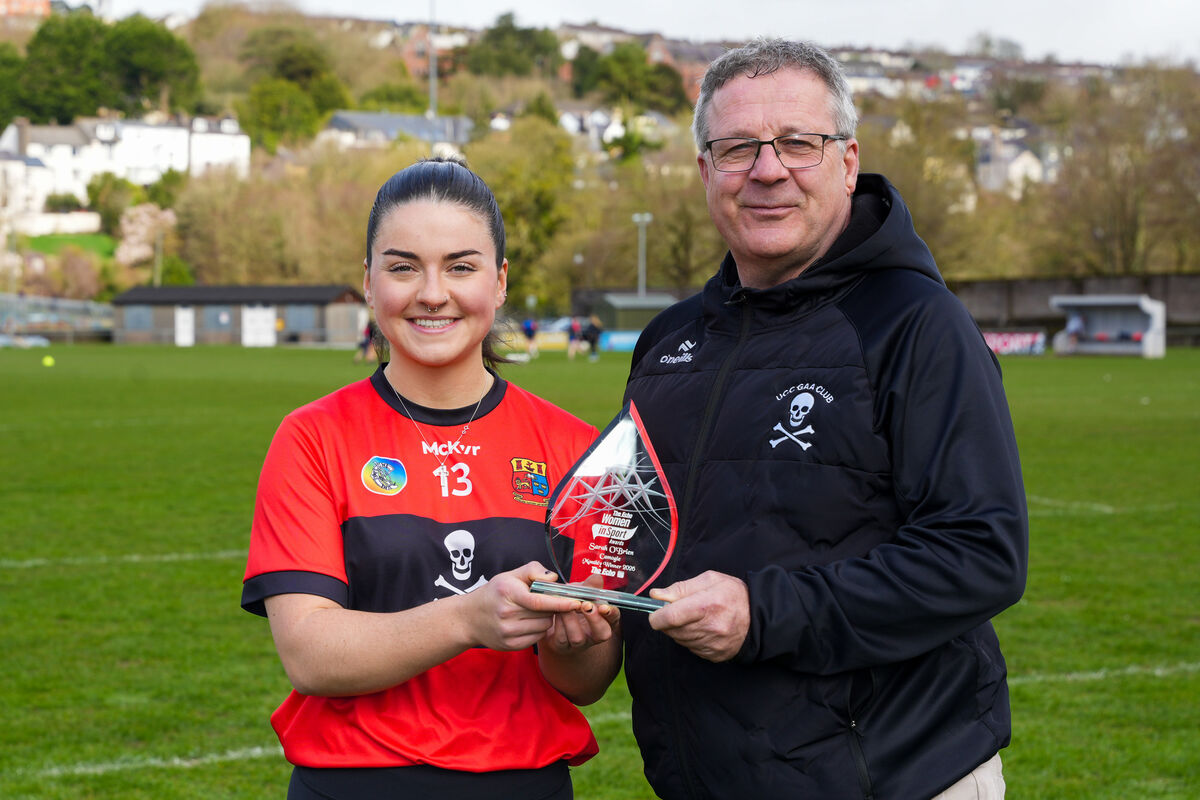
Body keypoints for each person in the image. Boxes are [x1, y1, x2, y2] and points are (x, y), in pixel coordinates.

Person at [622, 39, 1027, 799]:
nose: (768, 170)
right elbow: (633, 533)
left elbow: (981, 555)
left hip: (891, 777)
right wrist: (580, 600)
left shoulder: (916, 324)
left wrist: (762, 613)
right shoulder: (669, 342)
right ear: (707, 173)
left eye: (797, 144)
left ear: (847, 161)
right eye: (738, 147)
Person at [243, 157, 622, 800]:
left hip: (524, 786)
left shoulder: (576, 448)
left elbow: (584, 682)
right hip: (353, 786)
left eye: (461, 266)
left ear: (500, 282)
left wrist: (574, 640)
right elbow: (309, 653)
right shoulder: (312, 437)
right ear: (368, 283)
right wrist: (468, 620)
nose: (431, 292)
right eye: (403, 266)